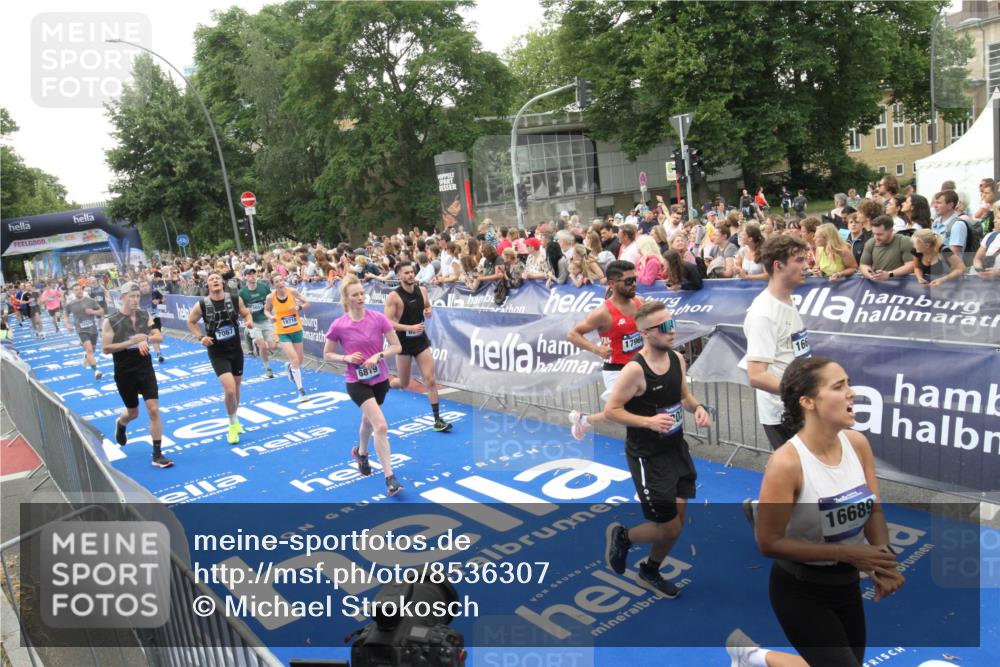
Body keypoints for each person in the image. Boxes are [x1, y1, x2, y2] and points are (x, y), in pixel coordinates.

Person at [755, 356, 903, 666]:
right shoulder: (786, 463)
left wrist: (883, 561)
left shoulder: (857, 444)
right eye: (838, 386)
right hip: (800, 591)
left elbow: (874, 510)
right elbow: (768, 543)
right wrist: (847, 553)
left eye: (848, 383)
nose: (851, 392)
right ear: (808, 402)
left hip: (846, 585)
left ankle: (756, 658)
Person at [602, 301, 711, 598]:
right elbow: (612, 410)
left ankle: (650, 570)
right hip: (647, 457)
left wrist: (698, 408)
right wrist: (648, 422)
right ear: (646, 333)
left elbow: (684, 395)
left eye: (672, 323)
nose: (671, 330)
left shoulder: (677, 358)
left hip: (676, 448)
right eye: (664, 327)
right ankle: (624, 537)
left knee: (677, 522)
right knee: (668, 527)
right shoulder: (634, 370)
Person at [323, 275, 404, 496]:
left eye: (362, 293)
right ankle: (390, 478)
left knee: (368, 420)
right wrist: (346, 358)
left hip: (380, 379)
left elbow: (396, 347)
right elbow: (327, 354)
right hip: (356, 382)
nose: (360, 297)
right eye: (355, 295)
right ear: (346, 299)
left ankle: (361, 453)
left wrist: (379, 355)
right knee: (381, 425)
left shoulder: (378, 318)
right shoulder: (339, 325)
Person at [742, 235, 811, 451]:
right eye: (799, 260)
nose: (806, 265)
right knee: (797, 471)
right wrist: (801, 394)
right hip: (782, 413)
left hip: (798, 406)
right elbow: (756, 375)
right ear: (778, 265)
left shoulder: (786, 300)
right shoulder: (764, 314)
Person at [566, 261, 643, 440]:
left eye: (635, 279)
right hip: (617, 370)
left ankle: (583, 420)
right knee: (620, 414)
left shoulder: (640, 302)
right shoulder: (603, 313)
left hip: (639, 366)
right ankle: (584, 420)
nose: (634, 284)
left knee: (639, 411)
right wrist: (596, 349)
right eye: (629, 281)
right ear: (612, 284)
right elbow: (572, 334)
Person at [101, 282, 173, 468]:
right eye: (131, 296)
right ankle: (121, 423)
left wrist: (146, 338)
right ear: (122, 298)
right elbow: (106, 348)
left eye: (137, 296)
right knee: (133, 413)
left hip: (144, 367)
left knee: (153, 409)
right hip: (124, 370)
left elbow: (159, 337)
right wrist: (131, 342)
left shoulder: (144, 315)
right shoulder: (111, 320)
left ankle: (157, 454)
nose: (135, 300)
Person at [187, 273, 255, 444]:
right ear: (207, 285)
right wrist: (201, 337)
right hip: (217, 352)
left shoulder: (235, 299)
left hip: (235, 349)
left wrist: (249, 321)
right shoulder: (202, 304)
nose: (215, 280)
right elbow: (191, 321)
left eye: (217, 278)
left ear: (223, 282)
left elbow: (246, 314)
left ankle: (235, 418)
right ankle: (232, 426)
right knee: (229, 389)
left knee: (236, 388)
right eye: (211, 279)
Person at [384, 261, 451, 432]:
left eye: (412, 272)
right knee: (404, 383)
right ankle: (386, 384)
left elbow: (427, 306)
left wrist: (428, 311)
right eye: (406, 273)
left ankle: (437, 419)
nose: (410, 275)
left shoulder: (422, 290)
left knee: (430, 379)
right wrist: (410, 328)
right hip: (403, 344)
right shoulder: (394, 296)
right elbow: (387, 323)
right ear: (399, 275)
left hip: (421, 341)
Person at [265, 274, 311, 398]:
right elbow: (266, 310)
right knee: (295, 359)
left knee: (299, 360)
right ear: (273, 285)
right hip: (283, 332)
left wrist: (298, 307)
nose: (280, 283)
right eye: (276, 281)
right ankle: (301, 391)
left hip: (296, 329)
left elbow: (307, 303)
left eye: (281, 280)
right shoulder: (270, 297)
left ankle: (290, 367)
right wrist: (271, 317)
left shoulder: (292, 292)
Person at [239, 268, 277, 378]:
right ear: (245, 277)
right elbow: (241, 310)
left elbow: (271, 301)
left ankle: (253, 339)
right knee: (263, 345)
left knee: (272, 346)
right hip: (253, 322)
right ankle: (268, 369)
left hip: (265, 320)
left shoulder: (263, 287)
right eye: (249, 275)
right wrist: (247, 313)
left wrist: (269, 308)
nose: (252, 276)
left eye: (254, 274)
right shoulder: (242, 293)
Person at [63, 284, 105, 379]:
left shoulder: (90, 301)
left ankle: (86, 355)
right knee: (89, 349)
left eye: (80, 289)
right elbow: (65, 316)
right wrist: (67, 324)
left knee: (92, 350)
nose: (79, 291)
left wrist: (93, 312)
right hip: (81, 330)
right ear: (73, 292)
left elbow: (102, 311)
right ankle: (96, 371)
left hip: (92, 329)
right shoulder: (70, 304)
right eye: (76, 290)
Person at [858, 215, 915, 281]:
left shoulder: (904, 241)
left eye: (880, 234)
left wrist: (889, 274)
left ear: (891, 230)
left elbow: (912, 265)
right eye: (874, 234)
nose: (876, 237)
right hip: (877, 283)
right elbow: (864, 264)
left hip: (900, 283)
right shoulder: (871, 242)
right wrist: (869, 274)